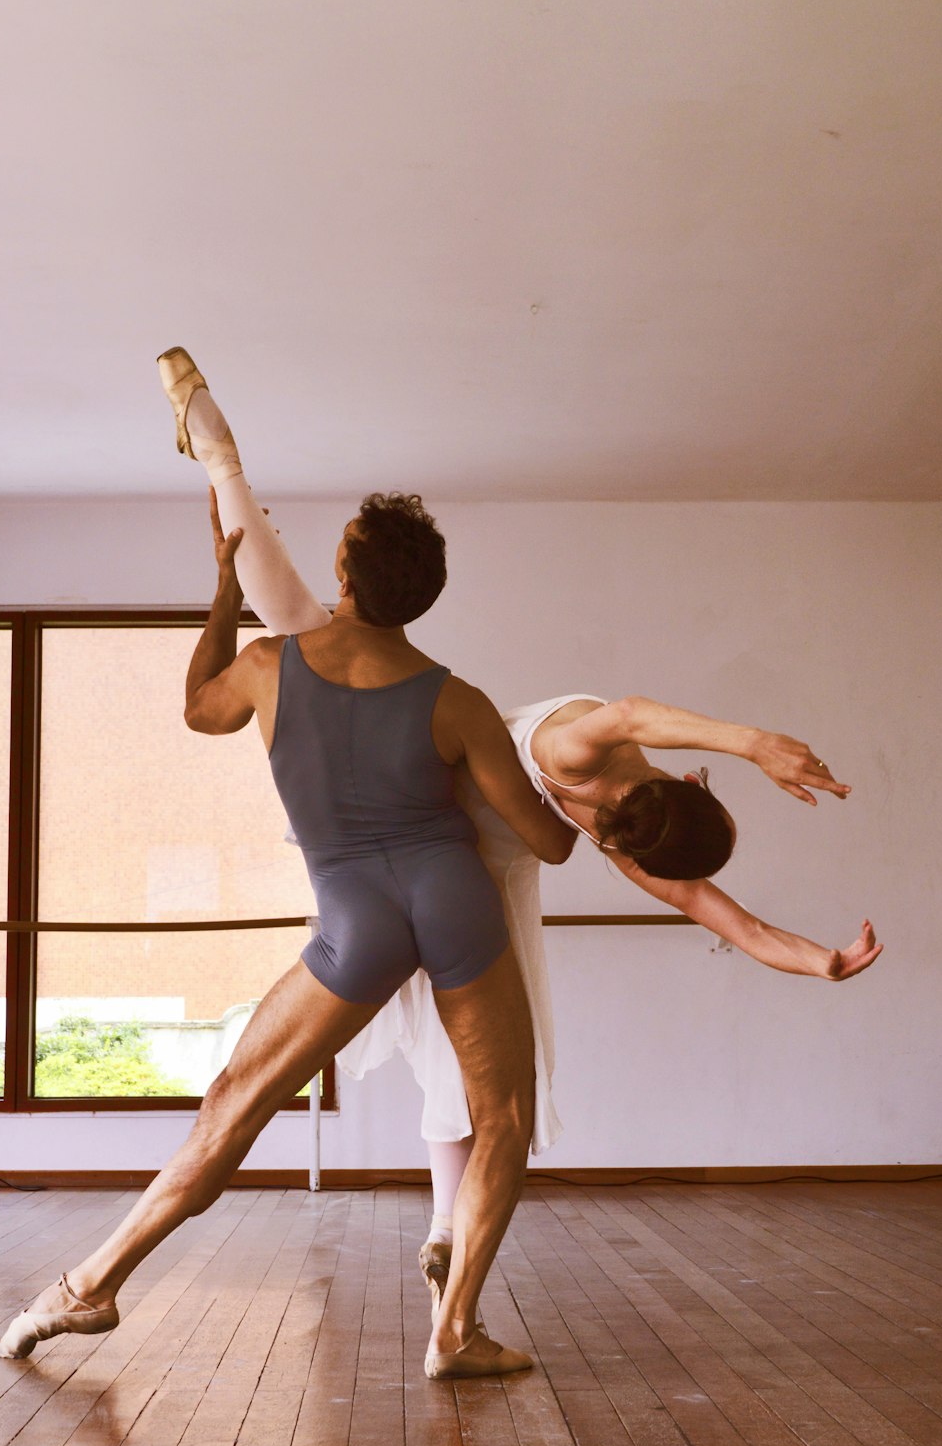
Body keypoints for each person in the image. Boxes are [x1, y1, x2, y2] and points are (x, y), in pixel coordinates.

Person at [152, 348, 884, 1308]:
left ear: (689, 779)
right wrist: (821, 962)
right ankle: (447, 1228)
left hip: (408, 836)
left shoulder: (591, 753)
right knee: (472, 1084)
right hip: (459, 880)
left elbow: (628, 711)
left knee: (292, 621)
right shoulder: (629, 847)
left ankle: (221, 462)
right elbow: (726, 918)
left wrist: (757, 743)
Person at [0, 404, 576, 1381]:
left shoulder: (268, 666)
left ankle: (89, 1284)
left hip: (355, 918)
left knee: (234, 1102)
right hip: (452, 896)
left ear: (344, 573)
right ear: (419, 599)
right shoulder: (457, 700)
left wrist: (223, 586)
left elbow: (197, 709)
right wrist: (610, 791)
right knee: (501, 1119)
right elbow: (549, 844)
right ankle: (454, 1331)